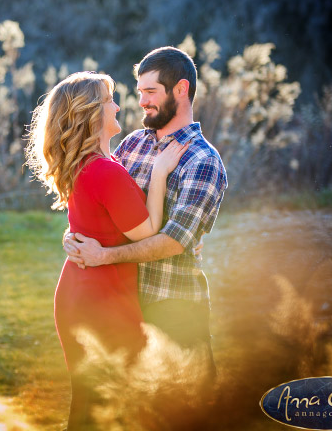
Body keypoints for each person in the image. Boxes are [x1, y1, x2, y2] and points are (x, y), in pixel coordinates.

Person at [25, 71, 188, 430]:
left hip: (78, 293)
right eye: (109, 100)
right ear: (92, 114)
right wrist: (160, 174)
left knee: (90, 400)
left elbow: (90, 223)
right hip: (102, 300)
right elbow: (149, 232)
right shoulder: (106, 172)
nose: (118, 105)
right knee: (112, 401)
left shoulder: (89, 165)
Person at [64, 46, 228, 385]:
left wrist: (104, 257)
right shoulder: (132, 144)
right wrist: (74, 234)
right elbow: (105, 206)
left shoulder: (202, 160)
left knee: (187, 412)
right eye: (140, 92)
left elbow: (173, 242)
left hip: (173, 306)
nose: (141, 101)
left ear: (181, 90)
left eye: (150, 91)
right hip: (124, 305)